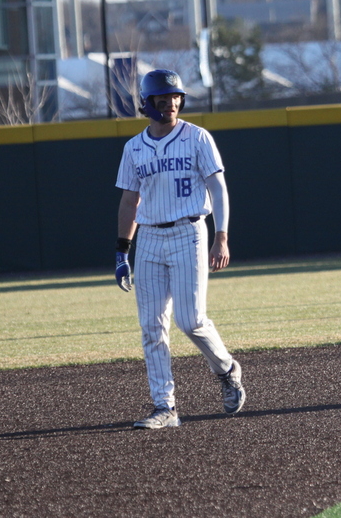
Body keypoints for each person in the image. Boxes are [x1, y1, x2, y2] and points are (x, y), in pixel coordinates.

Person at [114, 69, 245, 429]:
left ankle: (227, 369)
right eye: (162, 98)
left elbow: (218, 189)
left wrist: (222, 235)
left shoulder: (198, 138)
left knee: (191, 320)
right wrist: (122, 251)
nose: (170, 103)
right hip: (150, 239)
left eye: (175, 97)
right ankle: (164, 406)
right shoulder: (134, 148)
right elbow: (129, 201)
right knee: (151, 328)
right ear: (148, 103)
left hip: (190, 232)